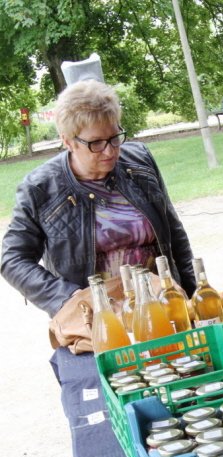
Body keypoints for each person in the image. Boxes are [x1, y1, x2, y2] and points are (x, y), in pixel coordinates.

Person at [1, 79, 195, 318]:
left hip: (164, 304)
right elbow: (13, 260)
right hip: (99, 317)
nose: (110, 150)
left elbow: (175, 235)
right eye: (96, 143)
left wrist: (192, 294)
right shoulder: (40, 188)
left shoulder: (140, 161)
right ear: (68, 141)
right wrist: (68, 297)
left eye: (115, 137)